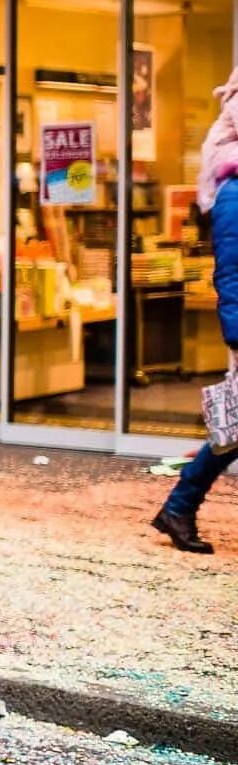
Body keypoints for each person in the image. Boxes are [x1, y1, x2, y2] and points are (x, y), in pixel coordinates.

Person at [150, 72, 238, 555]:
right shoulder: (233, 189)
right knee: (235, 427)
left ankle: (179, 507)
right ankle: (180, 505)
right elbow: (232, 272)